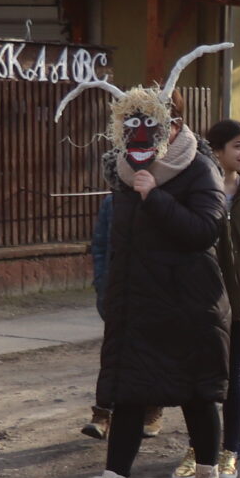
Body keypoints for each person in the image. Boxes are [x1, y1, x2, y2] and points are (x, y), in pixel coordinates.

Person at [65, 84, 229, 478]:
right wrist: (111, 295)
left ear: (173, 124)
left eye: (151, 121)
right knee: (130, 396)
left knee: (197, 395)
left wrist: (155, 196)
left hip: (190, 304)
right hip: (137, 306)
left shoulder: (199, 167)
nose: (140, 130)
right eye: (131, 121)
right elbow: (119, 243)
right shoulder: (123, 170)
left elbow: (205, 231)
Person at [189, 119, 240, 478]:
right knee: (203, 376)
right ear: (217, 150)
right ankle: (198, 450)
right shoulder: (198, 189)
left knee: (237, 374)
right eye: (238, 145)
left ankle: (230, 451)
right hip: (205, 300)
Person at [83, 164, 162, 445]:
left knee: (152, 354)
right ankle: (102, 414)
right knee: (114, 355)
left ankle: (152, 410)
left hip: (153, 293)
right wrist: (102, 283)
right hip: (117, 292)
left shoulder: (160, 199)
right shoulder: (112, 203)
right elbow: (100, 246)